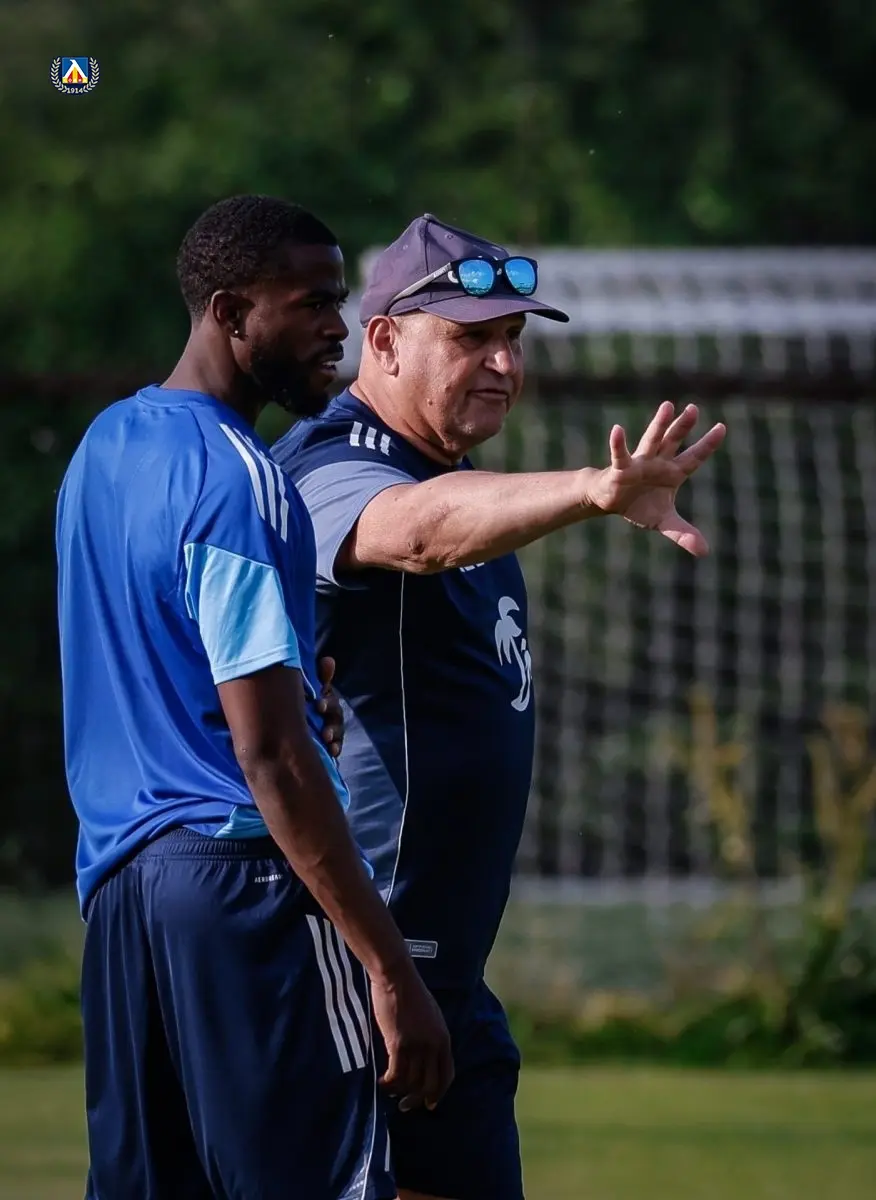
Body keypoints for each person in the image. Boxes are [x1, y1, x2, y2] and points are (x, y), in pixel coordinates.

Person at [271, 213, 727, 1200]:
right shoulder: (328, 462)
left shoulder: (462, 478)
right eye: (471, 338)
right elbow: (415, 533)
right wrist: (593, 489)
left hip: (439, 973)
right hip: (362, 971)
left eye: (513, 338)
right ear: (383, 339)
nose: (504, 364)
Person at [55, 195, 453, 1200]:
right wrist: (391, 970)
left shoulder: (103, 448)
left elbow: (172, 664)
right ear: (232, 313)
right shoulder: (242, 477)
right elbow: (270, 755)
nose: (337, 328)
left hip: (124, 894)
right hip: (245, 889)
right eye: (311, 303)